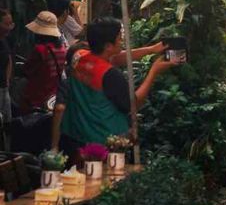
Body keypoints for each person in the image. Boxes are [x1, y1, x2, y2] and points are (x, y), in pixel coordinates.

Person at [55, 18, 173, 163]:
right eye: (119, 38)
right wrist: (154, 71)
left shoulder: (79, 56)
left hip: (77, 136)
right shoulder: (110, 75)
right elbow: (134, 104)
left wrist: (151, 50)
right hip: (104, 143)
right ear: (108, 46)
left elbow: (116, 58)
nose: (122, 41)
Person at [21, 11, 67, 111]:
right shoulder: (62, 49)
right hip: (54, 95)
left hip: (37, 96)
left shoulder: (40, 50)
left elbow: (27, 70)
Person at [0, 7, 14, 130]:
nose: (10, 27)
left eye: (11, 23)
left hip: (3, 88)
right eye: (7, 24)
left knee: (6, 123)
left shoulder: (5, 40)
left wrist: (7, 80)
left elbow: (9, 59)